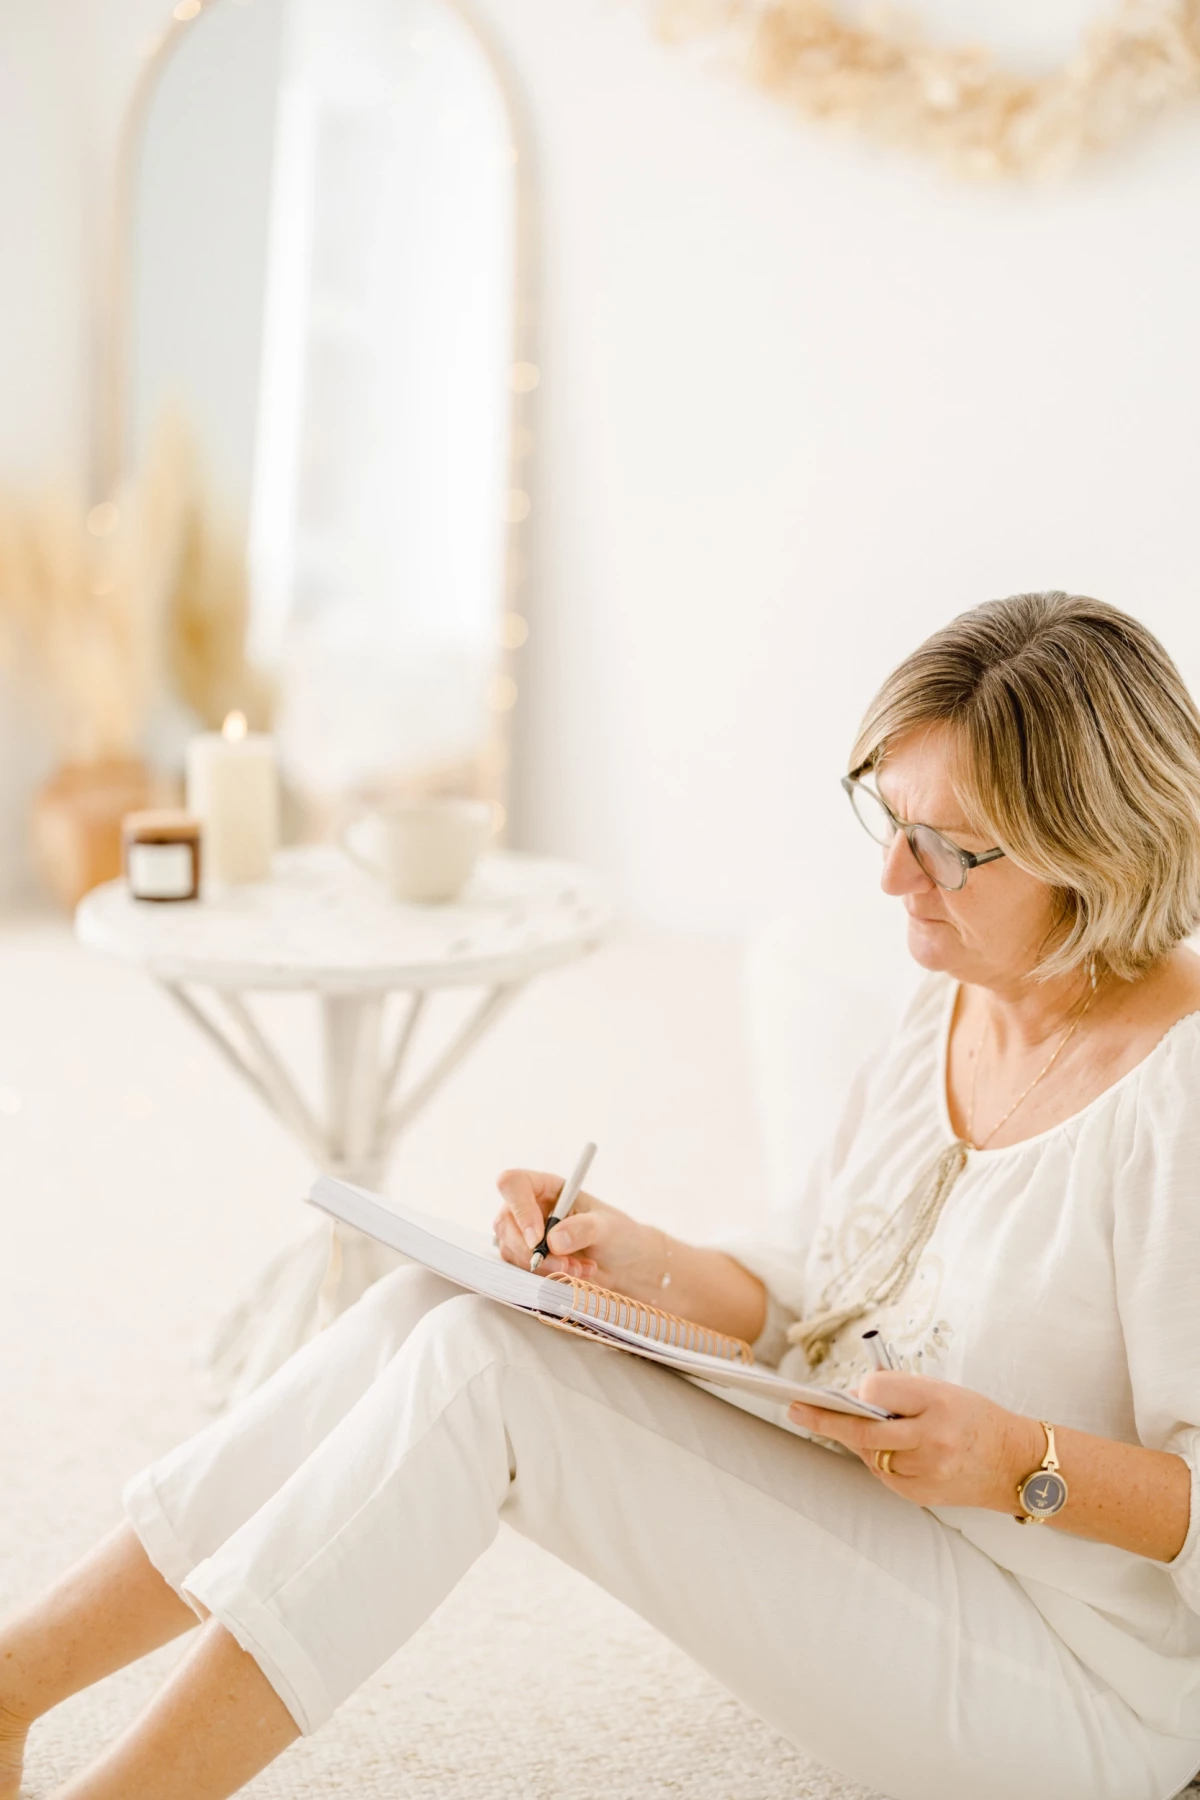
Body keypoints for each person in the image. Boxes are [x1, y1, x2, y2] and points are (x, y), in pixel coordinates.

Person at [5, 590, 1200, 1800]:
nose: (895, 876)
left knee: (493, 1369)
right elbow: (819, 1296)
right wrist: (633, 1256)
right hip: (881, 1534)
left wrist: (1014, 1461)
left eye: (947, 845)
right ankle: (11, 1682)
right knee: (440, 1301)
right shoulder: (956, 992)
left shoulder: (1179, 1095)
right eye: (887, 818)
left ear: (1091, 849)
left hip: (1084, 1684)